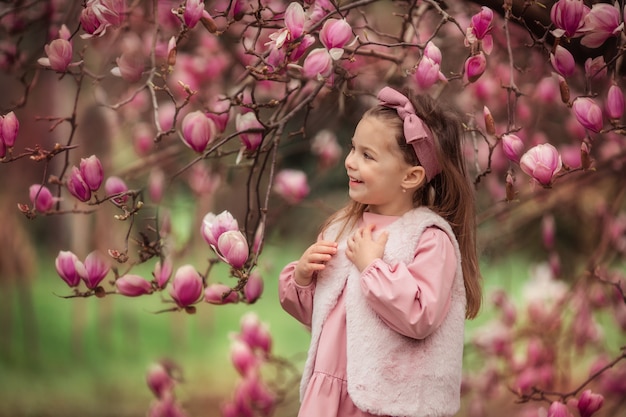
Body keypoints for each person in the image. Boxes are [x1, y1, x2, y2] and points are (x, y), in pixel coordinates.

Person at [278, 86, 482, 417]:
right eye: (352, 149)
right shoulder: (342, 228)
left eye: (367, 156)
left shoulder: (428, 239)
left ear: (411, 176)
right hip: (328, 398)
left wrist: (373, 268)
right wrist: (301, 279)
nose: (349, 162)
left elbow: (420, 316)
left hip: (386, 401)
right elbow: (323, 316)